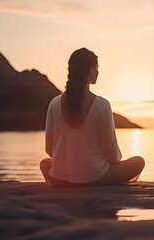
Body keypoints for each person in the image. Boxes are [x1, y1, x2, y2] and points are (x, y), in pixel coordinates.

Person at [40, 48, 145, 187]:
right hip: (95, 177)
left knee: (44, 163)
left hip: (61, 177)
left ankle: (65, 178)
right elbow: (113, 157)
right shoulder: (102, 105)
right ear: (91, 69)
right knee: (139, 162)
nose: (98, 72)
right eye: (97, 67)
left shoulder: (54, 103)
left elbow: (49, 150)